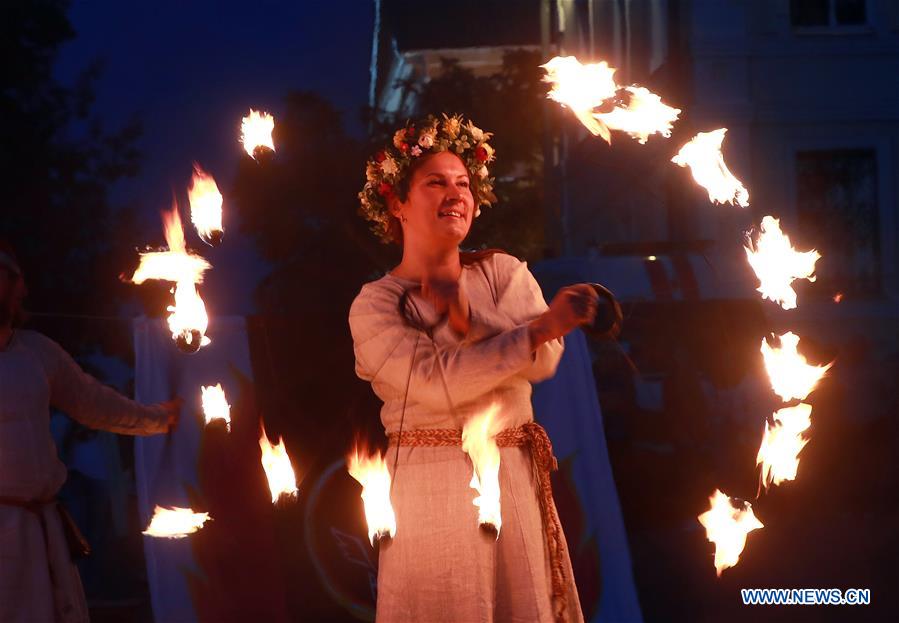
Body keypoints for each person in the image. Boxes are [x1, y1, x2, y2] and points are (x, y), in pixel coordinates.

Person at [350, 114, 598, 622]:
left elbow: (545, 362)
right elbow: (440, 385)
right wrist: (532, 330)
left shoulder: (503, 271)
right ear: (396, 202)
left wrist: (471, 319)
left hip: (511, 475)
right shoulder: (376, 304)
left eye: (464, 182)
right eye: (435, 182)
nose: (455, 193)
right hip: (430, 489)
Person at [0, 241, 180, 623]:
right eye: (4, 278)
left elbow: (93, 402)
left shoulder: (37, 353)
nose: (15, 289)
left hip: (42, 532)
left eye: (11, 279)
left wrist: (156, 419)